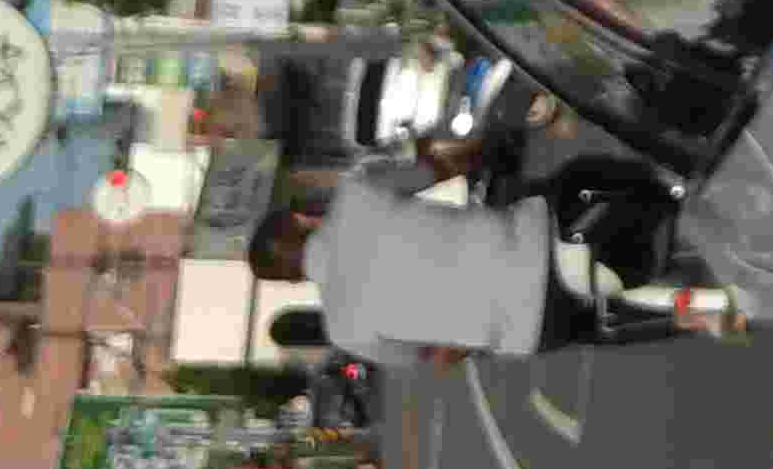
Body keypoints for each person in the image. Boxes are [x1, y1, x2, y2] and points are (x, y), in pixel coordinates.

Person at [250, 128, 738, 371]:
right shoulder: (356, 195)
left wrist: (473, 326)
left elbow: (436, 356)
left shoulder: (346, 331)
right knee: (583, 173)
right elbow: (437, 169)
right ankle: (688, 193)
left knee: (597, 328)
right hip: (537, 240)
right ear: (301, 220)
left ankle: (701, 317)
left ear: (291, 279)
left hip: (535, 326)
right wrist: (468, 150)